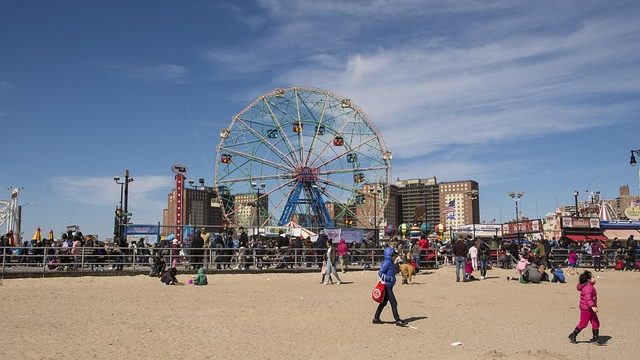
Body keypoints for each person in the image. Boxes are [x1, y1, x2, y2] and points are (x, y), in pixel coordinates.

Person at [372, 247, 407, 327]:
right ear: (389, 255)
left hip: (389, 285)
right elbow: (380, 273)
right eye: (393, 255)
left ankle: (376, 318)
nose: (394, 256)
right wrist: (389, 278)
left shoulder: (390, 262)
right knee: (394, 303)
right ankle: (397, 320)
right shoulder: (387, 262)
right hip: (387, 286)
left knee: (384, 302)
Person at [568, 270, 601, 344]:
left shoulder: (590, 286)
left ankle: (595, 338)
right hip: (586, 309)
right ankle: (573, 335)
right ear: (588, 280)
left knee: (596, 322)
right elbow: (588, 299)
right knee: (583, 323)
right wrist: (593, 306)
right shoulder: (587, 288)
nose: (594, 279)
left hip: (590, 308)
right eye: (593, 277)